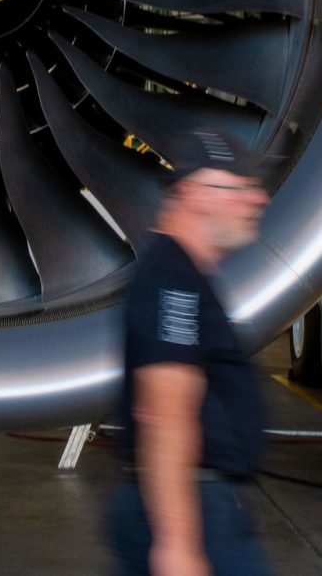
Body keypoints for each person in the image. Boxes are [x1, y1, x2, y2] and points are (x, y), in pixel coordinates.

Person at [109, 130, 275, 576]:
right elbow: (165, 413)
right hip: (192, 512)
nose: (258, 199)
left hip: (205, 504)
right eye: (241, 188)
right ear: (197, 192)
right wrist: (178, 544)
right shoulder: (172, 281)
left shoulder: (183, 273)